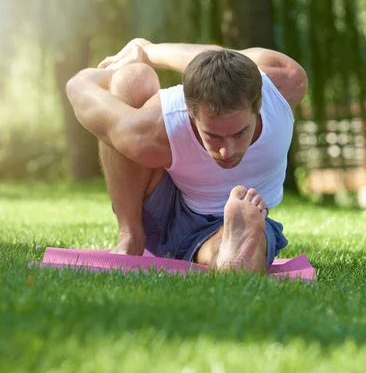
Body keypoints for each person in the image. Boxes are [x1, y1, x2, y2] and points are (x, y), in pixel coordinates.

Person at [66, 39, 307, 273]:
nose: (227, 151)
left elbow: (225, 61)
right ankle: (131, 235)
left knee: (239, 251)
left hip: (237, 217)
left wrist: (150, 51)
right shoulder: (155, 126)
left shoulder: (283, 81)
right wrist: (99, 75)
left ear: (259, 102)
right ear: (190, 112)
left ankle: (229, 250)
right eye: (213, 135)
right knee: (132, 77)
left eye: (240, 132)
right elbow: (82, 94)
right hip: (165, 208)